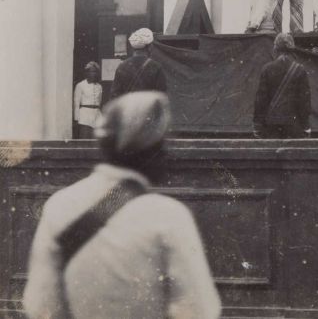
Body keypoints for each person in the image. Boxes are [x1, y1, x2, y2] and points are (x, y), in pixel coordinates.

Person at [23, 92, 221, 319]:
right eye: (161, 143)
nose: (167, 153)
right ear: (147, 149)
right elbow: (199, 311)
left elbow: (41, 306)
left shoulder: (59, 206)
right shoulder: (168, 215)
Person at [253, 33, 311, 138]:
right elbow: (304, 101)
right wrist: (305, 125)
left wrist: (258, 125)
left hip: (271, 125)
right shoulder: (300, 70)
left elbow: (260, 101)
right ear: (292, 48)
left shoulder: (267, 69)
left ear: (276, 49)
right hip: (294, 125)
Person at [110, 28, 167, 100]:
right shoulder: (156, 67)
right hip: (148, 110)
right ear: (150, 47)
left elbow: (114, 96)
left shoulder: (122, 67)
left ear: (133, 48)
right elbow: (161, 96)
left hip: (127, 110)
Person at [73, 61, 103, 139]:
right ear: (87, 73)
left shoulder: (99, 86)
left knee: (97, 139)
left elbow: (99, 101)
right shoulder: (80, 85)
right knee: (84, 139)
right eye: (92, 71)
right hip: (84, 117)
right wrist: (76, 119)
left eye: (96, 72)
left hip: (97, 115)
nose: (94, 74)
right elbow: (76, 103)